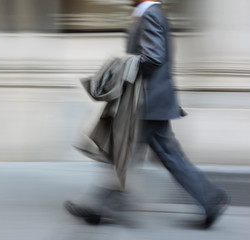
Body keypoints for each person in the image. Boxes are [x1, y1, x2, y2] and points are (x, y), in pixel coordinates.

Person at [65, 0, 229, 229]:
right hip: (152, 101)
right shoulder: (150, 14)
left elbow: (153, 57)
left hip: (147, 101)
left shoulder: (151, 14)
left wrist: (121, 67)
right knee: (153, 154)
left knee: (125, 151)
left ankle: (104, 204)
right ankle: (211, 199)